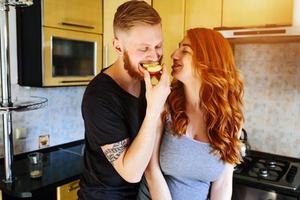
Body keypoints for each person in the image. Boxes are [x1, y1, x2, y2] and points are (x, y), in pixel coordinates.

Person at [137, 28, 244, 200]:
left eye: (185, 50)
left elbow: (223, 182)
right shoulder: (164, 103)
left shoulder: (231, 120)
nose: (173, 54)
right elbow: (150, 169)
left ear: (208, 60)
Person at [78, 1, 170, 199]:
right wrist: (154, 109)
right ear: (118, 47)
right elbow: (131, 173)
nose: (154, 56)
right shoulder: (99, 97)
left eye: (158, 46)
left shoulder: (148, 82)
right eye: (143, 49)